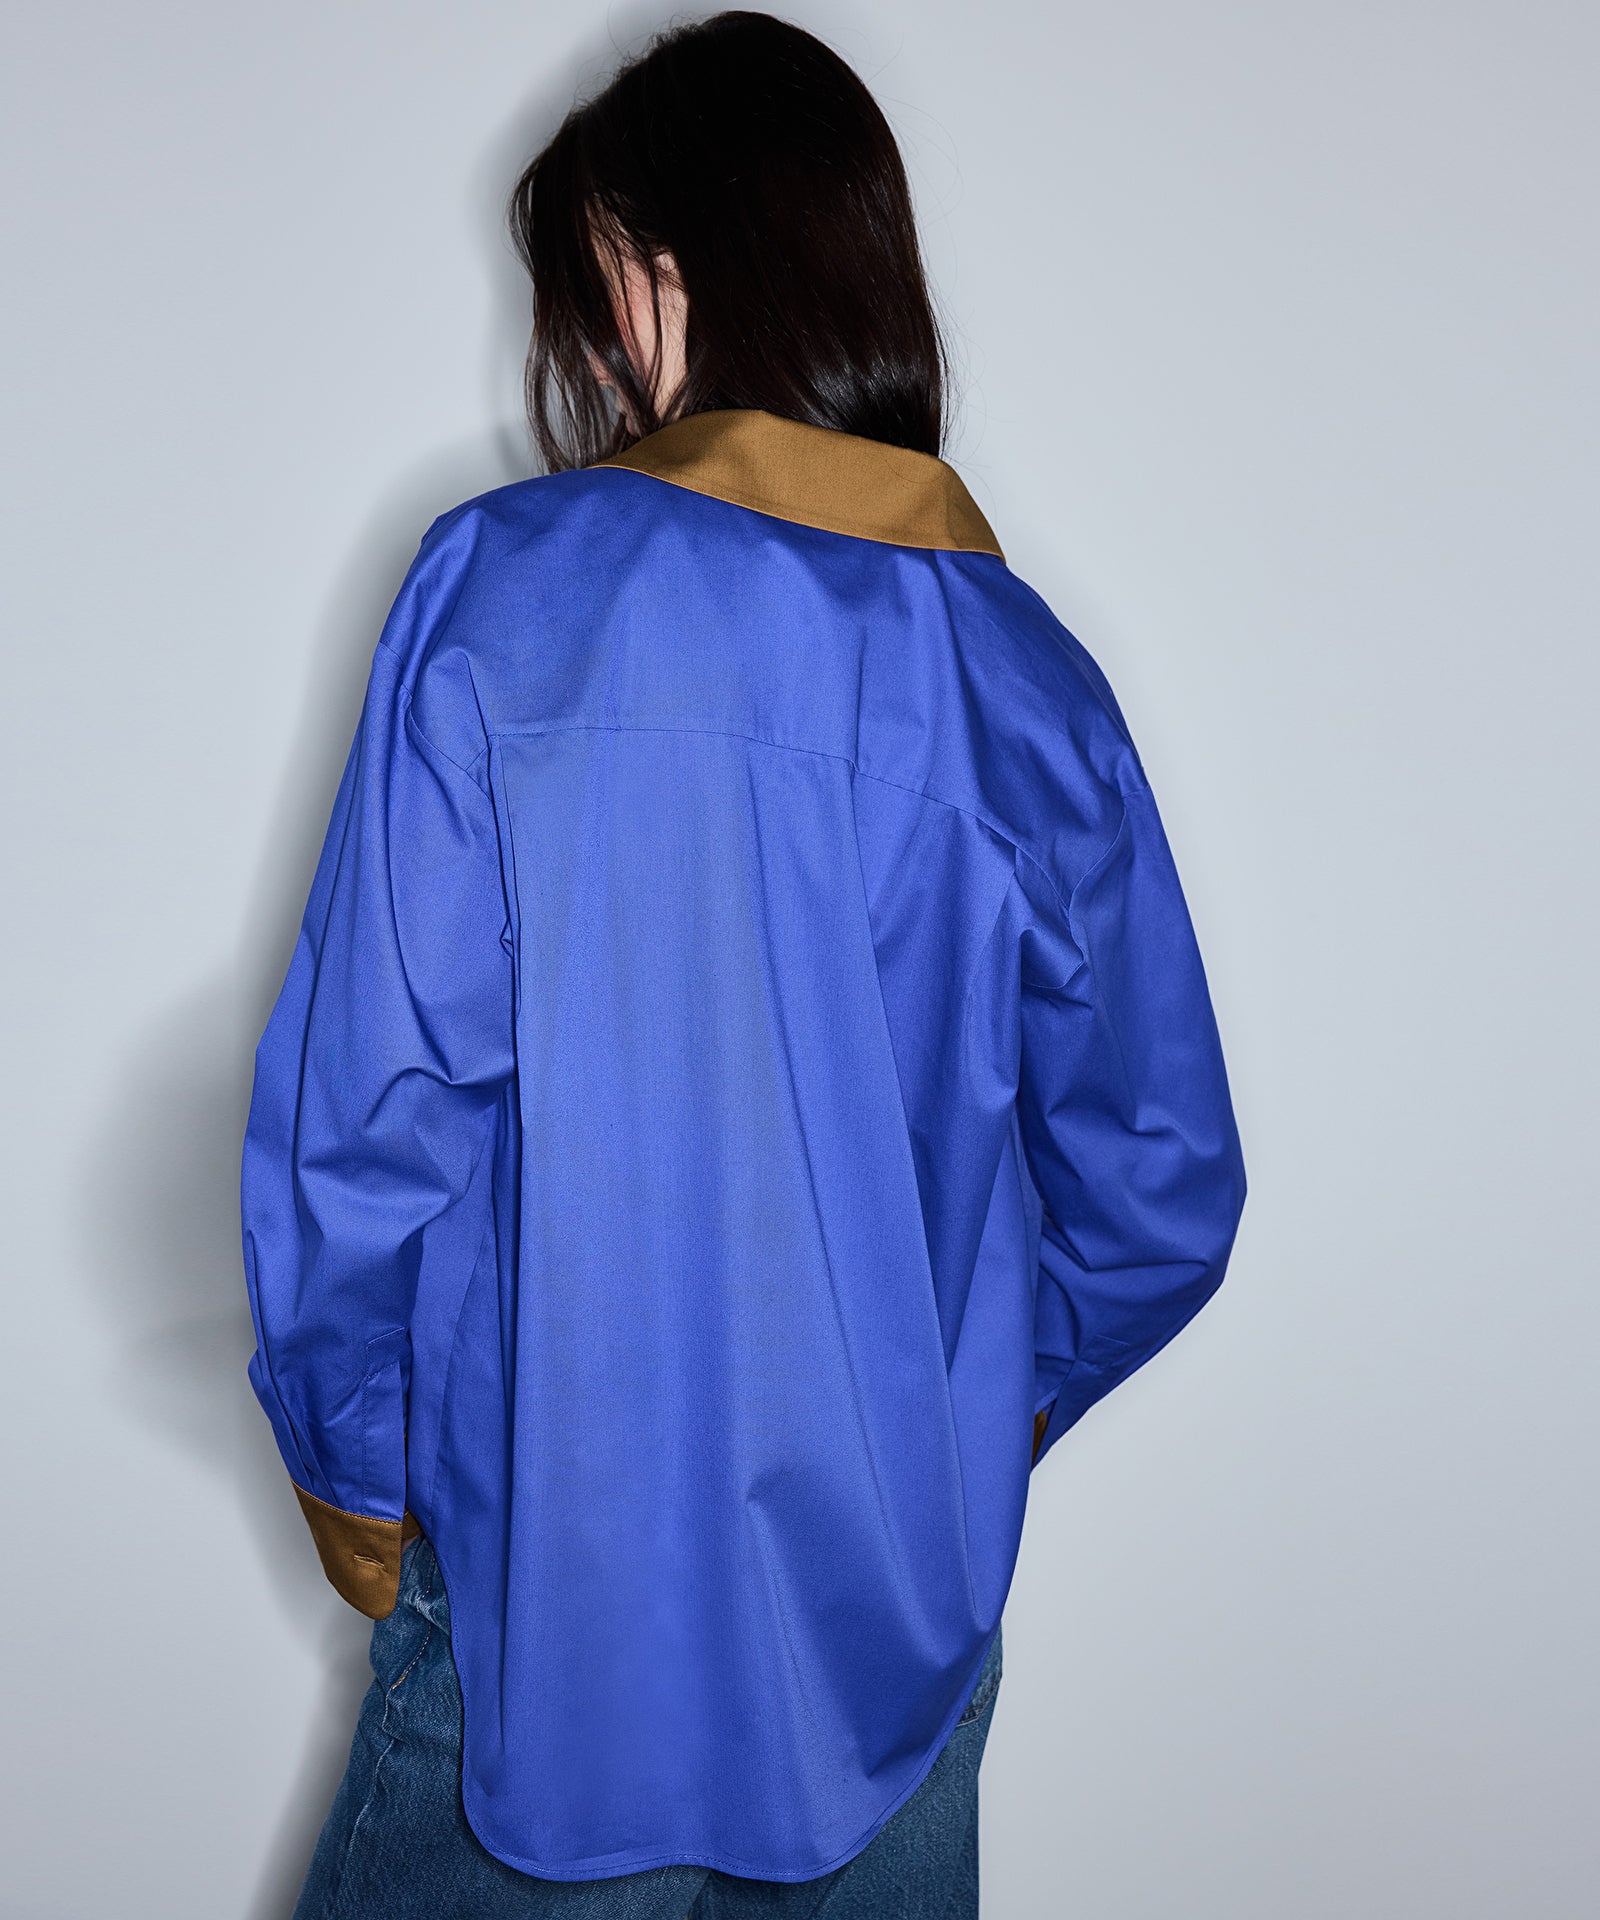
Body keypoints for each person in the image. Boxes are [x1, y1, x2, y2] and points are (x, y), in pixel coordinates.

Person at [240, 13, 1247, 1916]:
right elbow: (1161, 1192)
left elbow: (367, 1128)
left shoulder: (503, 597)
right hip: (896, 1659)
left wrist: (362, 1481)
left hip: (548, 1636)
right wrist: (964, 1411)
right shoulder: (1030, 687)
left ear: (655, 267)